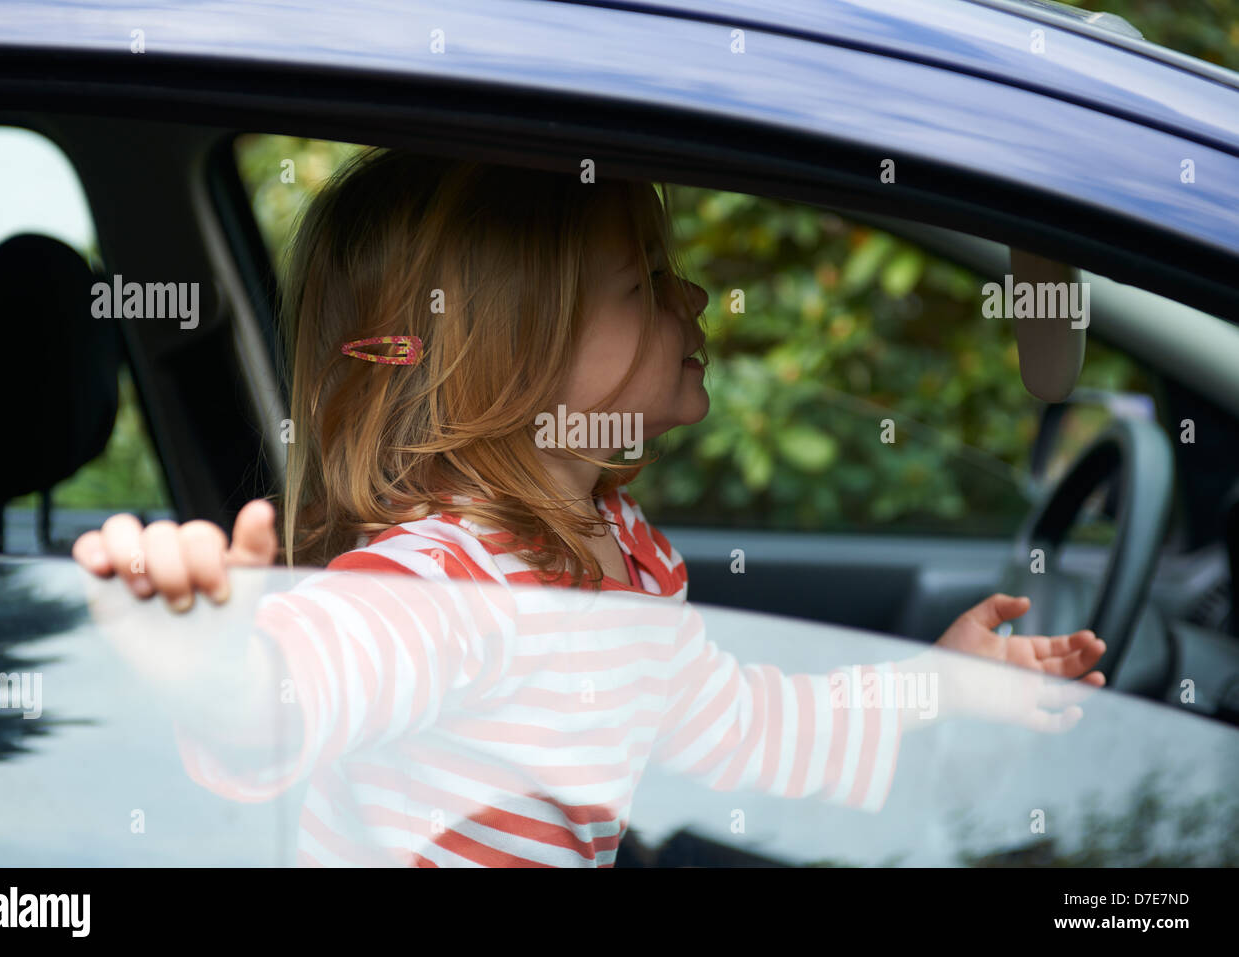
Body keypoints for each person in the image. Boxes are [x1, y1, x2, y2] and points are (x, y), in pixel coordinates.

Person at [73, 148, 1107, 866]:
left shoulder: (626, 559)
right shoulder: (448, 579)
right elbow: (302, 687)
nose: (692, 298)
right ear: (513, 355)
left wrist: (933, 688)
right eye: (645, 280)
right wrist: (217, 671)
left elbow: (746, 727)